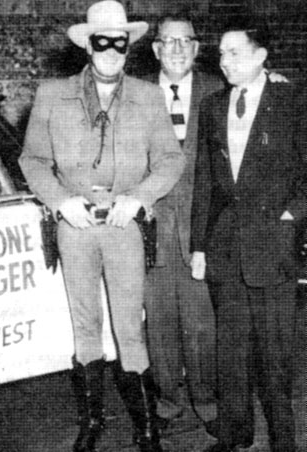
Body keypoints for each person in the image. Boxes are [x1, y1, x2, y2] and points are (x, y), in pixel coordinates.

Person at [19, 2, 185, 452]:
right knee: (85, 324)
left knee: (130, 328)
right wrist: (59, 201)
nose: (111, 50)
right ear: (88, 46)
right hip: (74, 228)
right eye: (102, 41)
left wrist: (138, 198)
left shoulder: (148, 97)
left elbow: (171, 159)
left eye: (120, 42)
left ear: (130, 47)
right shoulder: (52, 94)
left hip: (122, 227)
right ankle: (91, 423)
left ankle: (147, 427)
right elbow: (32, 160)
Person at [190, 16, 306, 452]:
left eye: (234, 52)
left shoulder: (292, 101)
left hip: (274, 250)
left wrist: (292, 215)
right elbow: (206, 181)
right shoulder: (213, 106)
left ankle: (284, 441)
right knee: (231, 353)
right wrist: (198, 245)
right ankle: (236, 433)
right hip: (225, 249)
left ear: (261, 56)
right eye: (220, 53)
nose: (224, 61)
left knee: (274, 357)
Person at [144, 13, 222, 429]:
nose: (176, 49)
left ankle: (208, 402)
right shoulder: (134, 95)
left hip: (201, 231)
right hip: (151, 230)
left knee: (202, 323)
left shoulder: (218, 91)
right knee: (159, 325)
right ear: (156, 48)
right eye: (168, 42)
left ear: (196, 48)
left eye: (184, 41)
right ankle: (168, 403)